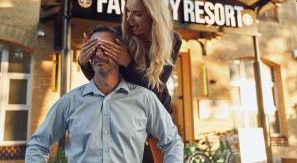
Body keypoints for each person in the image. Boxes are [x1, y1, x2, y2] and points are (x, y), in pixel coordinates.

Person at [25, 26, 183, 163]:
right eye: (93, 48)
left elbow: (172, 142)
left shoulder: (145, 99)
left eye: (105, 47)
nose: (98, 54)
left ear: (119, 50)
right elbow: (37, 144)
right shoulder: (70, 102)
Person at [78, 0, 182, 162]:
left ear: (153, 14)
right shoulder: (118, 36)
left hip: (158, 108)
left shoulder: (172, 40)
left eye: (138, 14)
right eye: (127, 11)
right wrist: (84, 63)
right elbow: (104, 80)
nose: (129, 19)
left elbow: (154, 90)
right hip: (125, 110)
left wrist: (127, 63)